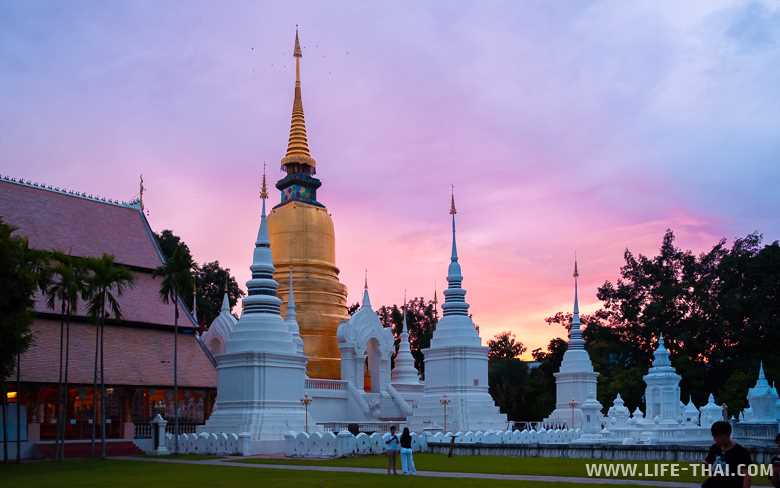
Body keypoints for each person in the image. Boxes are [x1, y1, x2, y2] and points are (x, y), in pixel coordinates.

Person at [702, 420, 752, 488]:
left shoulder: (740, 452)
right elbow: (707, 471)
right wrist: (705, 466)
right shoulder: (714, 448)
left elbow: (746, 476)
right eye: (714, 436)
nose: (715, 439)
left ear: (728, 434)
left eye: (718, 436)